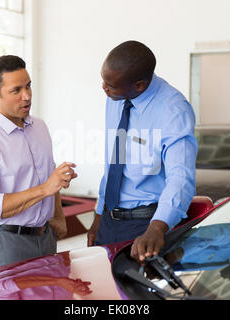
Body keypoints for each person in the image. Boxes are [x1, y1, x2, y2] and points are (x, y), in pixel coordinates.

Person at [0, 55, 77, 272]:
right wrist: (44, 189)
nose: (27, 96)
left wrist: (57, 213)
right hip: (5, 245)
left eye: (28, 86)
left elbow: (49, 176)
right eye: (16, 90)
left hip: (45, 239)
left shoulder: (39, 127)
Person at [87, 41, 197, 263]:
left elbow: (181, 177)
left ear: (138, 85)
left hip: (145, 227)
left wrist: (157, 228)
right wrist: (99, 217)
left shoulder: (173, 110)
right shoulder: (117, 97)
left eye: (110, 85)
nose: (104, 88)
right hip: (109, 220)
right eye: (103, 80)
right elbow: (114, 162)